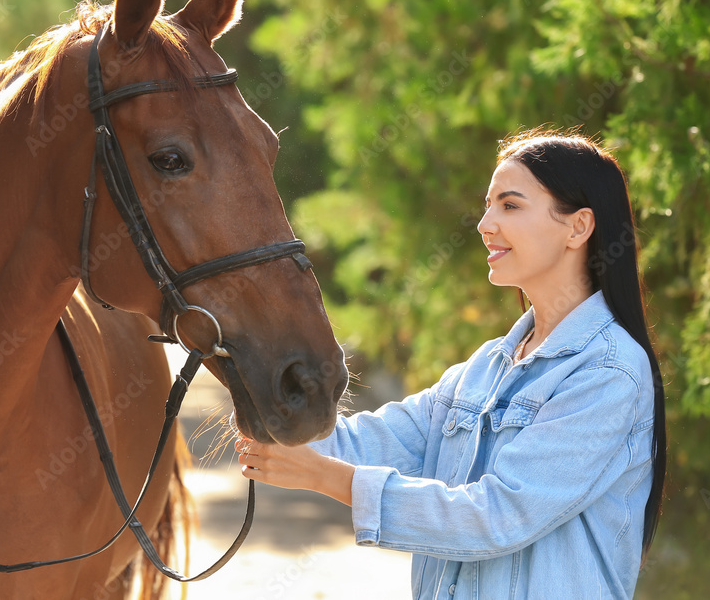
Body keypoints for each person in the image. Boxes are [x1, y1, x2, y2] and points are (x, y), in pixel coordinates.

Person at [237, 129, 666, 599]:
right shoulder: (484, 369)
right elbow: (369, 442)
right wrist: (268, 402)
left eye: (510, 205)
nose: (485, 224)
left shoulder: (608, 372)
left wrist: (331, 479)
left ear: (578, 227)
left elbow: (498, 516)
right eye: (488, 205)